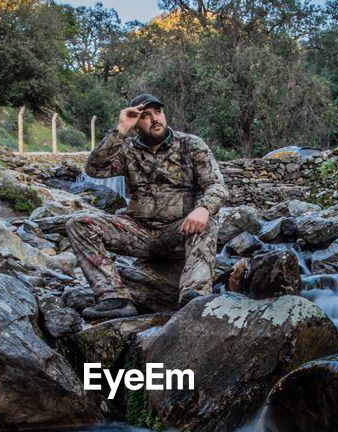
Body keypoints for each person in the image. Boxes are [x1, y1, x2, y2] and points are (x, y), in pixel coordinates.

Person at [68, 93, 229, 320]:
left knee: (209, 219)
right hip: (137, 233)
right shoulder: (127, 150)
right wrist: (120, 129)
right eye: (145, 116)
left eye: (158, 112)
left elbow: (217, 186)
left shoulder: (191, 145)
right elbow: (95, 169)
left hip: (178, 232)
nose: (155, 119)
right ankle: (114, 297)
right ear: (136, 123)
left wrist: (202, 209)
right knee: (78, 224)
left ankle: (194, 295)